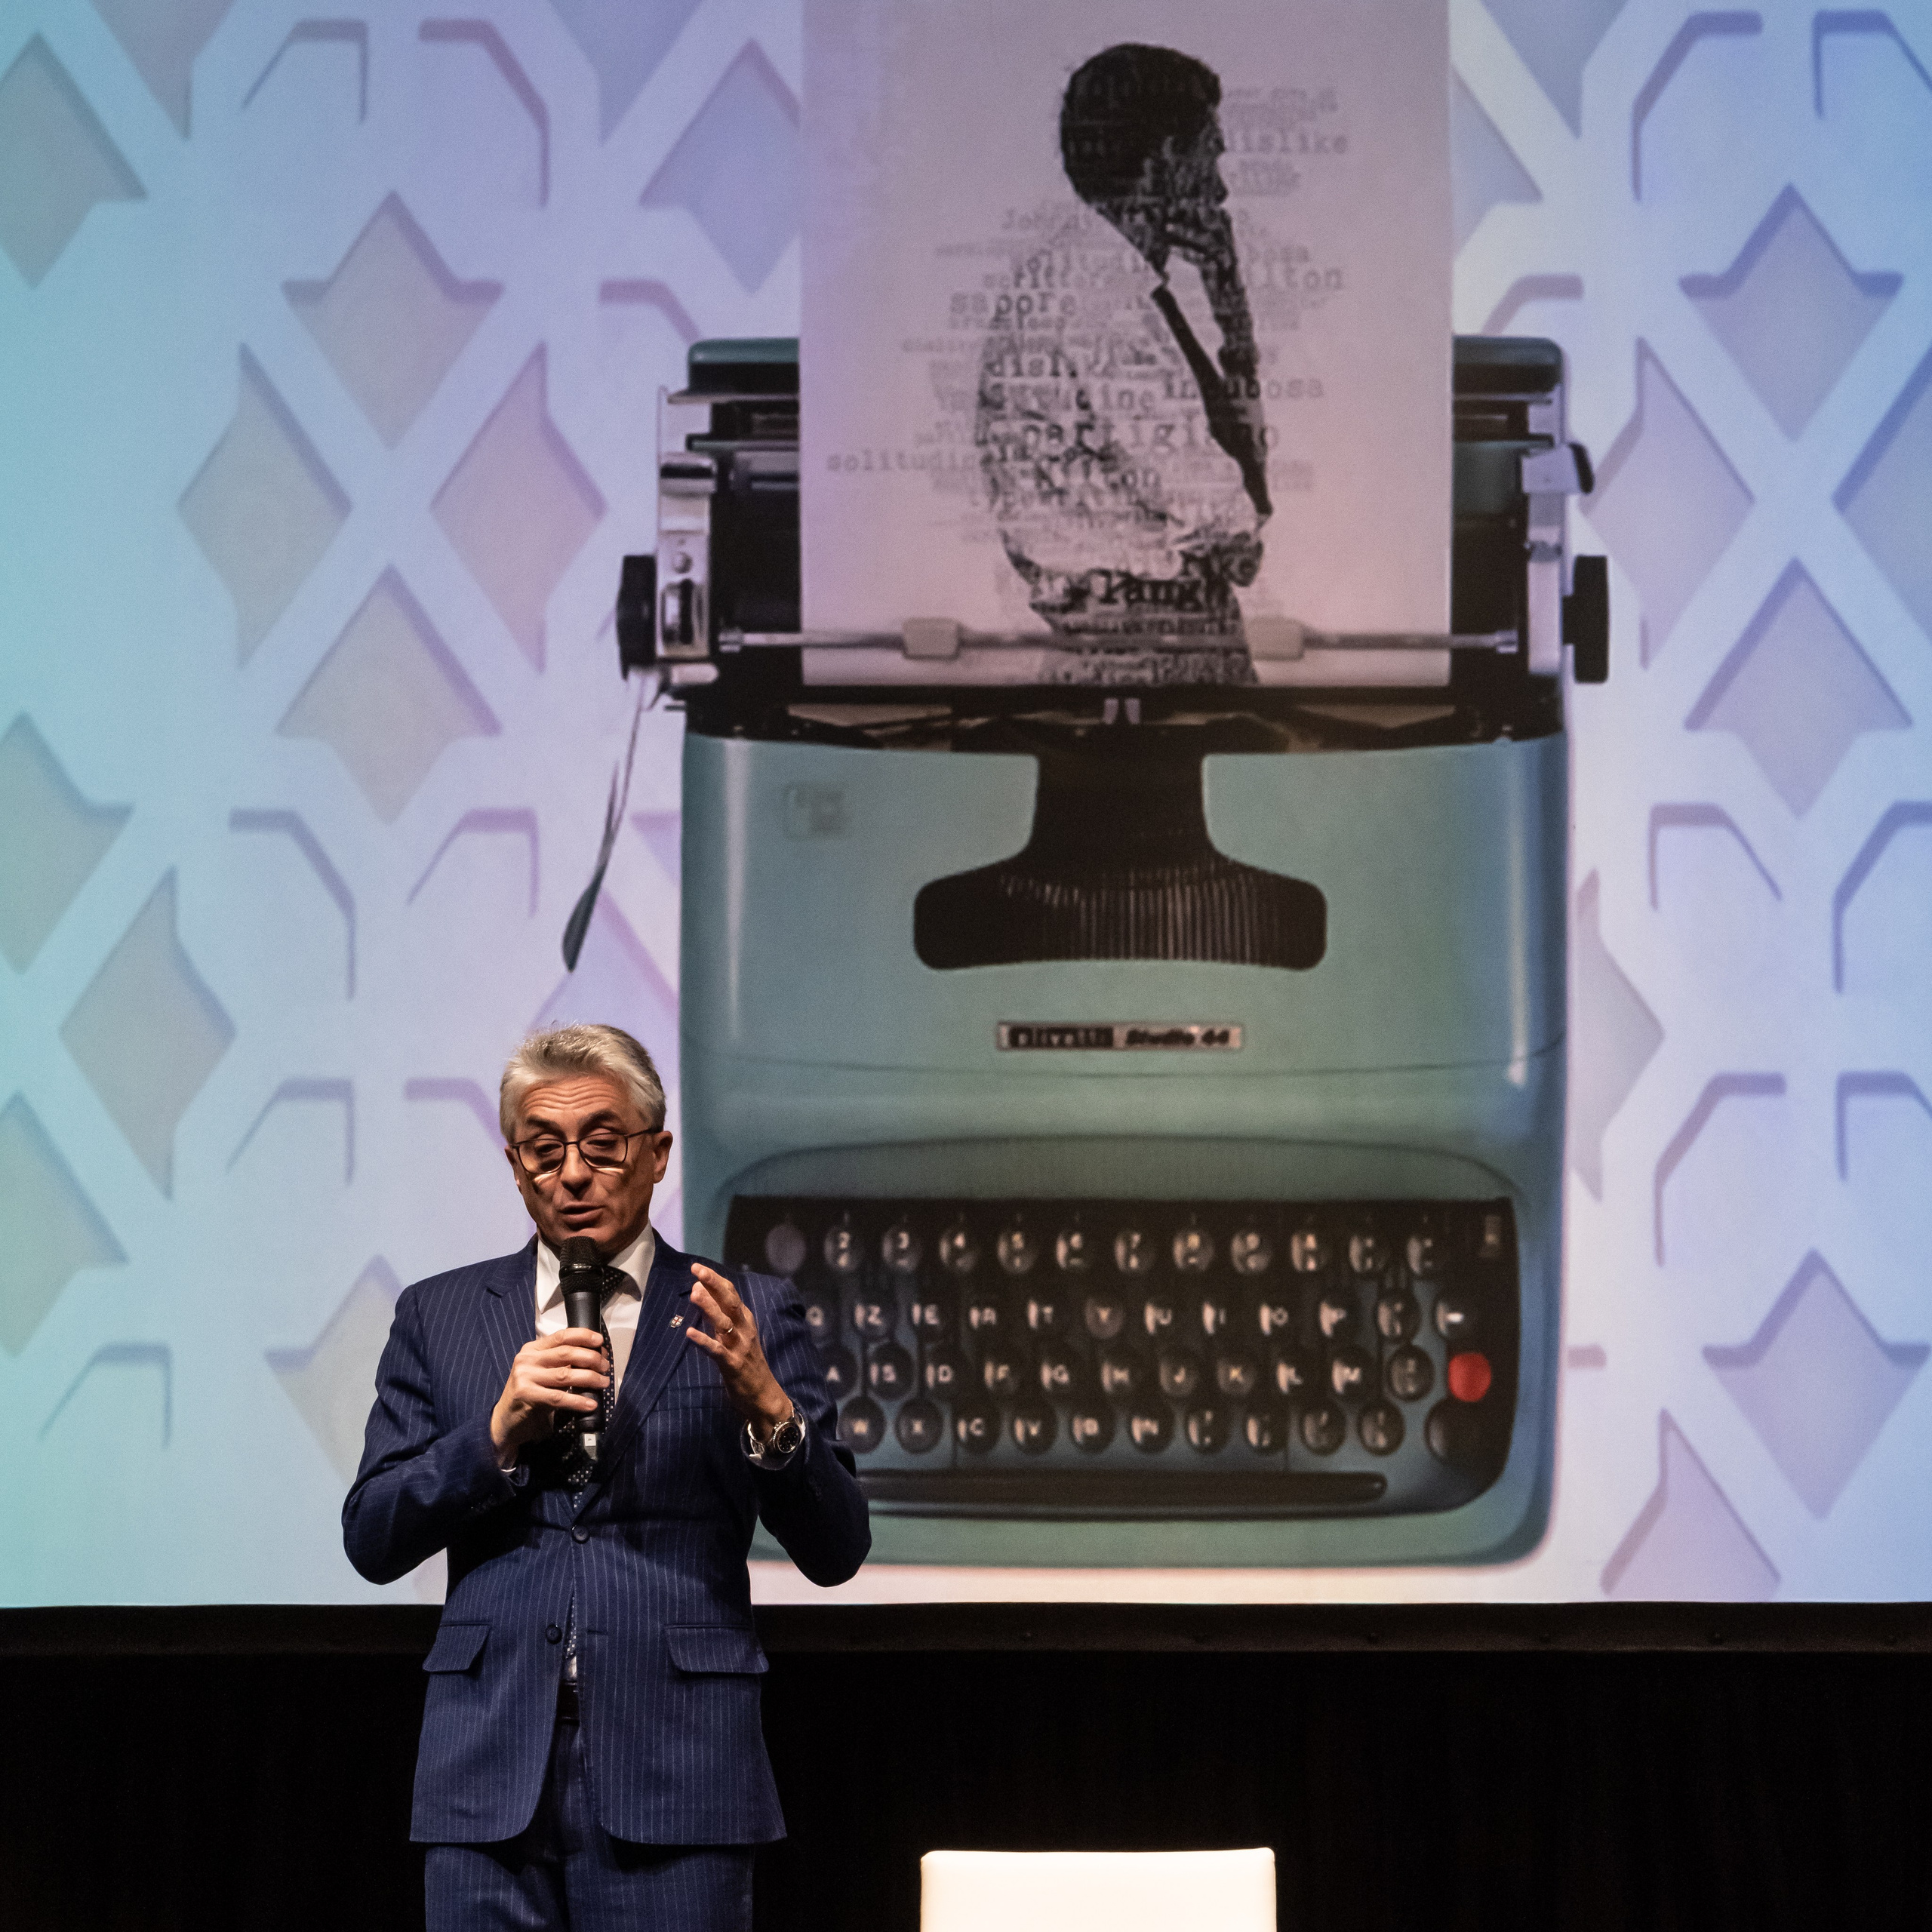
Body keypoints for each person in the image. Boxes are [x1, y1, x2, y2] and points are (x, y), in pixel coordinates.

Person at [343, 1023, 868, 1930]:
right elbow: (372, 1536)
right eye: (544, 1151)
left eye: (602, 1143)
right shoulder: (440, 1315)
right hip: (486, 1770)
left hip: (680, 1768)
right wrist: (498, 1432)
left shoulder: (743, 1308)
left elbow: (836, 1549)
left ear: (657, 1153)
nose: (573, 1173)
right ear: (514, 1166)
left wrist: (768, 1412)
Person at [977, 43, 1272, 637]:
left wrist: (1233, 319)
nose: (1220, 190)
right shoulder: (1100, 298)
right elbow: (1228, 519)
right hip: (1145, 633)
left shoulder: (1086, 277)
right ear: (1165, 160)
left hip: (1128, 624)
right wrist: (1241, 527)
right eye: (1209, 155)